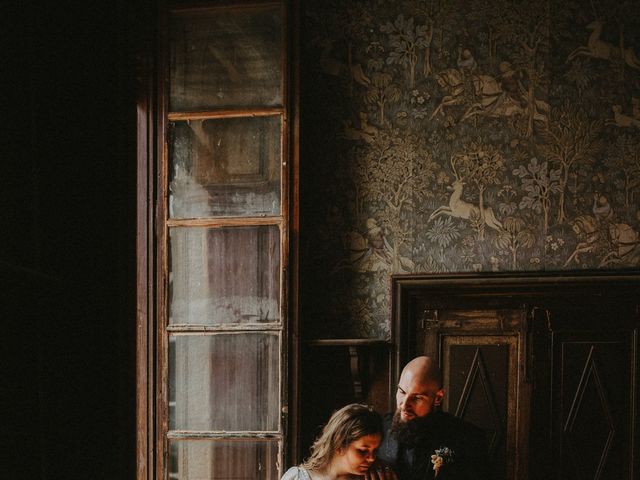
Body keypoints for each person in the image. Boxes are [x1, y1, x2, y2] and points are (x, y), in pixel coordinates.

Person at [366, 356, 489, 480]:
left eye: (417, 398)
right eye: (402, 392)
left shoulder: (468, 439)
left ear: (438, 398)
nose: (404, 405)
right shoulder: (378, 427)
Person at [281, 403, 384, 480]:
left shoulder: (375, 477)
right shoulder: (297, 477)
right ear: (339, 444)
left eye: (375, 451)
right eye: (362, 451)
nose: (371, 459)